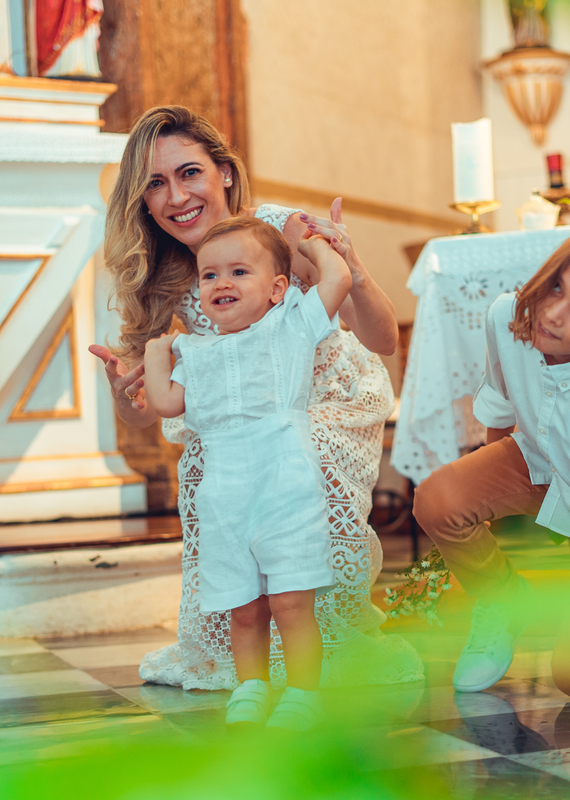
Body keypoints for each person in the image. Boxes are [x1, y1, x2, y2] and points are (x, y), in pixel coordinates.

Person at [89, 105, 422, 690]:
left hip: (326, 399)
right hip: (237, 419)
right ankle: (246, 641)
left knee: (297, 449)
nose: (176, 196)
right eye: (155, 185)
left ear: (223, 171)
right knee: (208, 462)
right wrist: (124, 396)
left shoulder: (275, 233)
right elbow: (147, 409)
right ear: (141, 201)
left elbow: (382, 339)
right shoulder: (158, 276)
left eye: (189, 172)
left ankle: (320, 640)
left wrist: (347, 261)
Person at [412, 222, 570, 735]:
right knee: (441, 497)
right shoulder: (507, 315)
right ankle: (502, 602)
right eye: (557, 286)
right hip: (540, 463)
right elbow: (499, 400)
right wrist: (486, 506)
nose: (553, 315)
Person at [142, 216, 350, 729]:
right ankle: (252, 685)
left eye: (239, 271)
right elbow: (168, 403)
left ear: (277, 288)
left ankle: (304, 692)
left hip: (285, 486)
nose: (222, 284)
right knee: (244, 606)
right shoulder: (196, 350)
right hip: (224, 495)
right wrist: (154, 353)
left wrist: (313, 244)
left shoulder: (292, 324)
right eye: (210, 275)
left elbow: (339, 280)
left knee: (291, 602)